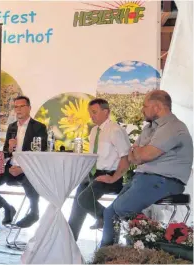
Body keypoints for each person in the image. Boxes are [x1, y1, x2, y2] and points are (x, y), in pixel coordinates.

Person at [100, 90, 193, 247]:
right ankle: (107, 256)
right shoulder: (149, 129)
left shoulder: (173, 127)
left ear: (157, 107)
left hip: (164, 180)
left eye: (145, 105)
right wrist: (139, 153)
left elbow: (146, 154)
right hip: (144, 178)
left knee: (121, 209)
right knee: (110, 212)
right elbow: (131, 156)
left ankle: (144, 247)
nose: (142, 109)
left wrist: (140, 152)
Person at [68, 98, 130, 241]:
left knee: (84, 198)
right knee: (77, 204)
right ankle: (70, 242)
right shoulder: (94, 131)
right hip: (94, 175)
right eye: (90, 113)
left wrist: (113, 177)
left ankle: (108, 220)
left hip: (110, 177)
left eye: (94, 112)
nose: (91, 116)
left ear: (106, 112)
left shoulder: (116, 130)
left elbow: (126, 158)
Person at [0, 95, 47, 228]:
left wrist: (23, 168)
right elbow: (6, 153)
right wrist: (10, 148)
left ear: (29, 108)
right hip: (11, 167)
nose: (19, 109)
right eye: (16, 107)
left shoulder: (39, 127)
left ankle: (34, 213)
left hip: (27, 169)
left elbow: (40, 154)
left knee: (31, 181)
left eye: (22, 106)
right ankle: (7, 207)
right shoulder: (11, 127)